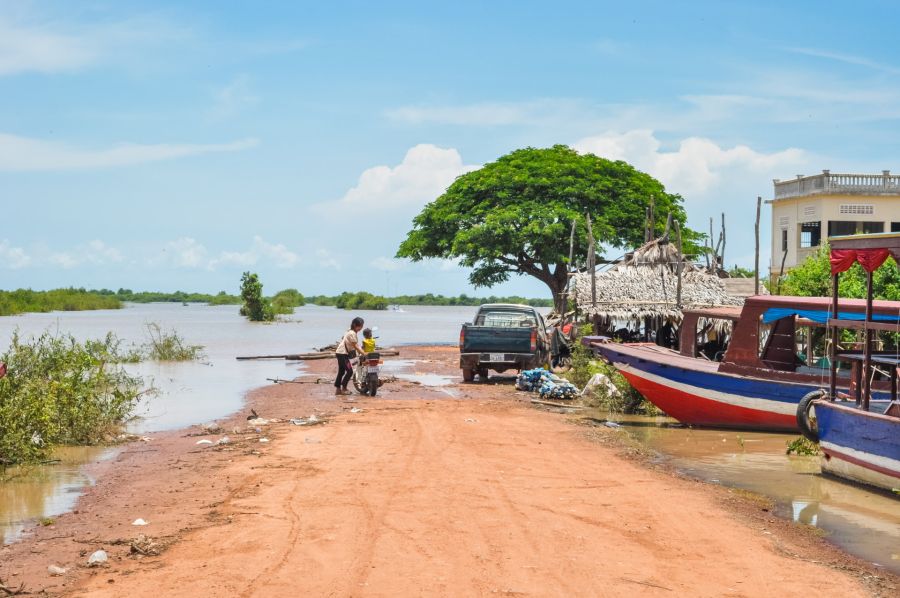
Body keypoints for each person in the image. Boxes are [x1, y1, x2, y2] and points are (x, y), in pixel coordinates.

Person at [335, 317, 366, 396]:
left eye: (362, 326)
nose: (361, 328)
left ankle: (338, 390)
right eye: (360, 326)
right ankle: (344, 388)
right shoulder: (352, 333)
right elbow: (356, 346)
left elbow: (343, 338)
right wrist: (364, 353)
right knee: (350, 371)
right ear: (355, 325)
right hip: (343, 354)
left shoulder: (349, 331)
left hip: (340, 352)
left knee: (341, 372)